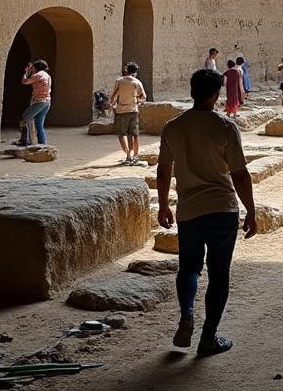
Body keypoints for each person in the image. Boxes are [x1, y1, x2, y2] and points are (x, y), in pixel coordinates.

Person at [156, 68, 257, 357]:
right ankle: (208, 337)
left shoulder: (173, 127)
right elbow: (239, 174)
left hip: (189, 210)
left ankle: (187, 313)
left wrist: (164, 205)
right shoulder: (225, 127)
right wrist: (251, 211)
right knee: (219, 273)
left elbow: (164, 171)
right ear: (215, 94)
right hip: (221, 208)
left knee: (188, 267)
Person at [110, 61, 147, 164]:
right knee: (134, 134)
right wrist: (137, 101)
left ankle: (127, 153)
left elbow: (114, 96)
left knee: (122, 134)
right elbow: (143, 97)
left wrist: (113, 105)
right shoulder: (136, 82)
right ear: (136, 72)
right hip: (133, 110)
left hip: (121, 110)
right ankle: (134, 155)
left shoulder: (119, 81)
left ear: (126, 69)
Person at [17, 60, 52, 146]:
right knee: (39, 125)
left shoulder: (39, 74)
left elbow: (24, 81)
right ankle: (42, 145)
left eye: (33, 68)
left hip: (39, 102)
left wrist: (26, 72)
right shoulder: (47, 75)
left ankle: (25, 141)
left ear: (36, 68)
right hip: (46, 102)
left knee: (24, 119)